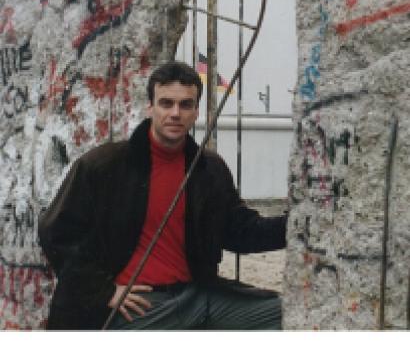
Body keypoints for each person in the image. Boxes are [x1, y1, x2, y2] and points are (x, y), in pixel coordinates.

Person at [38, 61, 287, 330]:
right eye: (166, 103)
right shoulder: (104, 165)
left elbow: (240, 230)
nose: (175, 113)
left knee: (288, 314)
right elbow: (56, 233)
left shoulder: (208, 168)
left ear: (196, 112)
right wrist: (104, 291)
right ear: (150, 107)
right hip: (138, 305)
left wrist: (297, 226)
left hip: (197, 295)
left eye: (185, 105)